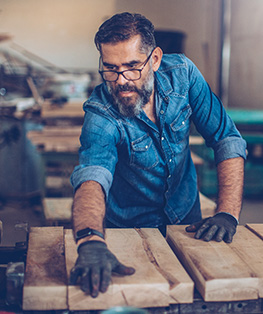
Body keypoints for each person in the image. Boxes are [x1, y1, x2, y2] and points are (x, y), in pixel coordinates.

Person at [69, 12, 246, 297]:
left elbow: (225, 137)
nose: (122, 81)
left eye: (132, 66)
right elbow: (92, 177)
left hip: (187, 220)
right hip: (126, 229)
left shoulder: (183, 76)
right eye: (111, 69)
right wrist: (90, 240)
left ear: (155, 59)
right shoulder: (100, 113)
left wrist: (227, 213)